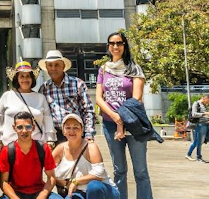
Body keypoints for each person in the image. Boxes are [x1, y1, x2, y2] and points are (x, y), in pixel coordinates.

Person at [95, 32, 152, 199]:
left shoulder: (134, 69)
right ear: (108, 46)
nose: (115, 46)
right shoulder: (103, 69)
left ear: (124, 45)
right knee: (119, 169)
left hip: (133, 124)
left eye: (119, 43)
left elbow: (136, 99)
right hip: (110, 124)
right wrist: (115, 118)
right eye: (112, 43)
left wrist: (122, 121)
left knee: (140, 171)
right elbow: (99, 98)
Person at [0, 61, 56, 155]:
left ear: (32, 78)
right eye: (22, 76)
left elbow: (47, 120)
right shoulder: (7, 96)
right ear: (16, 79)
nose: (25, 79)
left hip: (35, 148)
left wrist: (50, 142)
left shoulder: (40, 98)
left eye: (28, 76)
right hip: (10, 148)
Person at [51, 113, 118, 199]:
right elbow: (49, 170)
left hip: (104, 191)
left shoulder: (91, 147)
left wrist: (76, 181)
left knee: (94, 187)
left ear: (82, 130)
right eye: (68, 127)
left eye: (76, 127)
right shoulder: (60, 149)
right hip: (80, 192)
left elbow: (99, 174)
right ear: (63, 131)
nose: (72, 131)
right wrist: (65, 183)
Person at [37, 50, 95, 146]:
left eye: (57, 65)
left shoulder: (77, 84)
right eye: (50, 65)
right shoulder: (44, 89)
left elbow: (88, 110)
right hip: (55, 137)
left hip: (76, 133)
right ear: (46, 68)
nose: (53, 68)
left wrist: (89, 134)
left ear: (63, 66)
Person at [0, 111, 56, 199]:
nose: (24, 131)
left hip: (39, 191)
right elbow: (3, 182)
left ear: (33, 128)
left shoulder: (43, 148)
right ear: (14, 128)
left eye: (28, 127)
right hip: (15, 192)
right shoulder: (7, 151)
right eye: (20, 127)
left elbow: (51, 177)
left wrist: (42, 195)